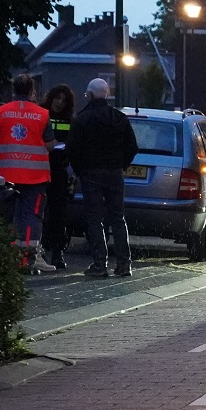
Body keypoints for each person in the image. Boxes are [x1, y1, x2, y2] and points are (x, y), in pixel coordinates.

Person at [69, 78, 137, 278]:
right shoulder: (119, 118)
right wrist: (120, 165)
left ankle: (100, 264)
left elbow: (73, 149)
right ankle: (124, 264)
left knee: (94, 218)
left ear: (90, 95)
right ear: (106, 95)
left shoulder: (82, 119)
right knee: (117, 218)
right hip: (114, 173)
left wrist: (80, 169)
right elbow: (132, 146)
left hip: (91, 173)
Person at [0, 73, 56, 271]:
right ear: (31, 91)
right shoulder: (42, 114)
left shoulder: (1, 112)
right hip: (35, 175)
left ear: (13, 90)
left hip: (6, 174)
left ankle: (10, 257)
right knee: (32, 216)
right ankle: (30, 258)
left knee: (12, 216)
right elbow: (49, 144)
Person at [40, 83, 75, 270]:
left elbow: (73, 144)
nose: (59, 103)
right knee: (41, 211)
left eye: (63, 100)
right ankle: (42, 248)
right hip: (41, 167)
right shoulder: (41, 115)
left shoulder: (70, 120)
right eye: (57, 98)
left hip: (60, 169)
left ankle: (58, 251)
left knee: (59, 213)